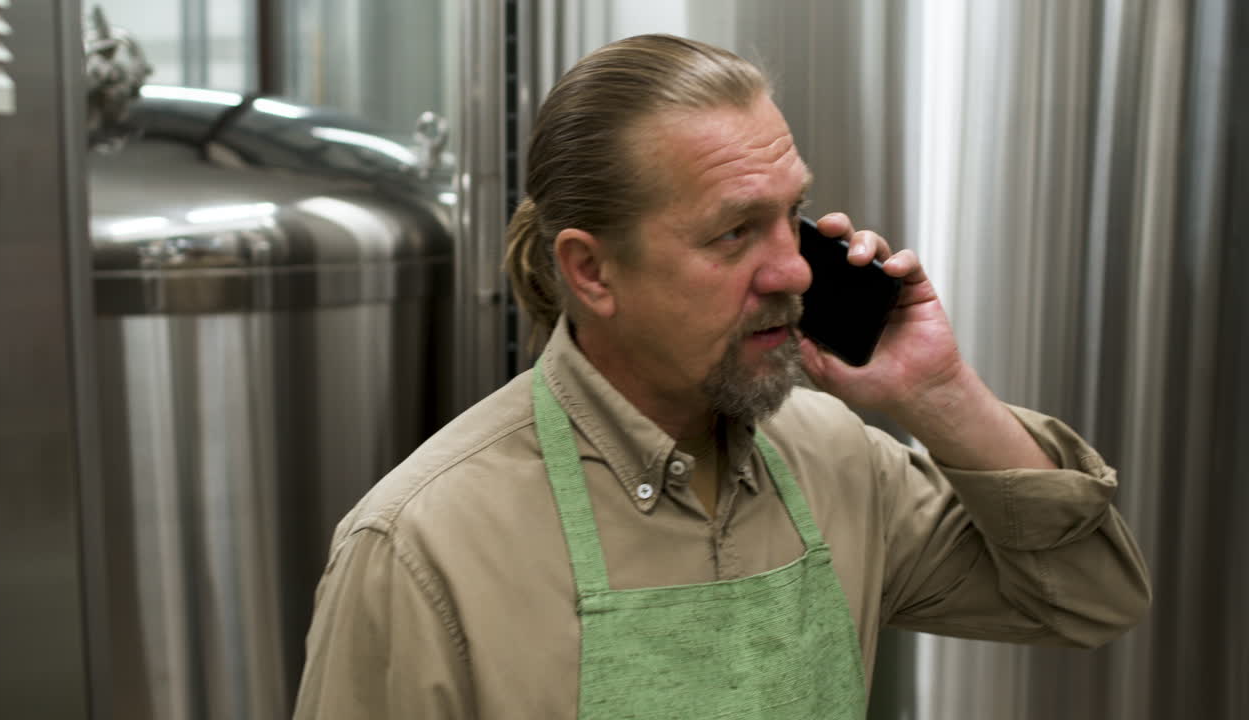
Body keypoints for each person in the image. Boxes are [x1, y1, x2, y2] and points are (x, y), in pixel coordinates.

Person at [293, 34, 1150, 719]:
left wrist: (939, 393)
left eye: (792, 215)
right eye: (735, 232)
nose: (797, 270)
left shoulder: (834, 458)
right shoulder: (421, 548)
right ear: (591, 272)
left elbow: (1090, 600)